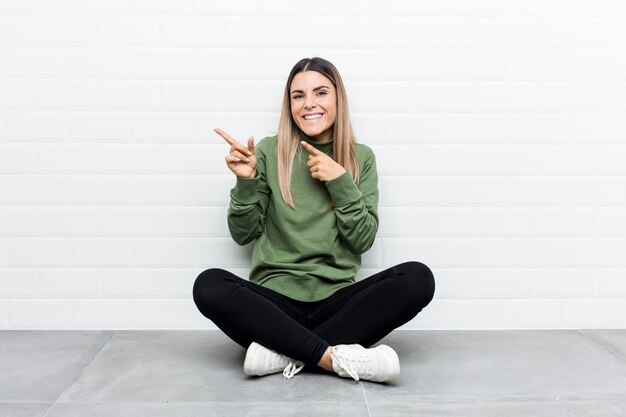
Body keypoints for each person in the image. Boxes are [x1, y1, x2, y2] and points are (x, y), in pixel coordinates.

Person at [193, 57, 435, 383]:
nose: (309, 104)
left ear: (337, 99)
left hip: (338, 304)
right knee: (208, 285)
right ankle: (332, 357)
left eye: (320, 93)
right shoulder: (267, 152)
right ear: (289, 103)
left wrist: (341, 183)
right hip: (275, 305)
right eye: (298, 96)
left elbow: (361, 240)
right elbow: (243, 233)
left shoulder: (360, 157)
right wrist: (246, 181)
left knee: (418, 278)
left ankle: (282, 351)